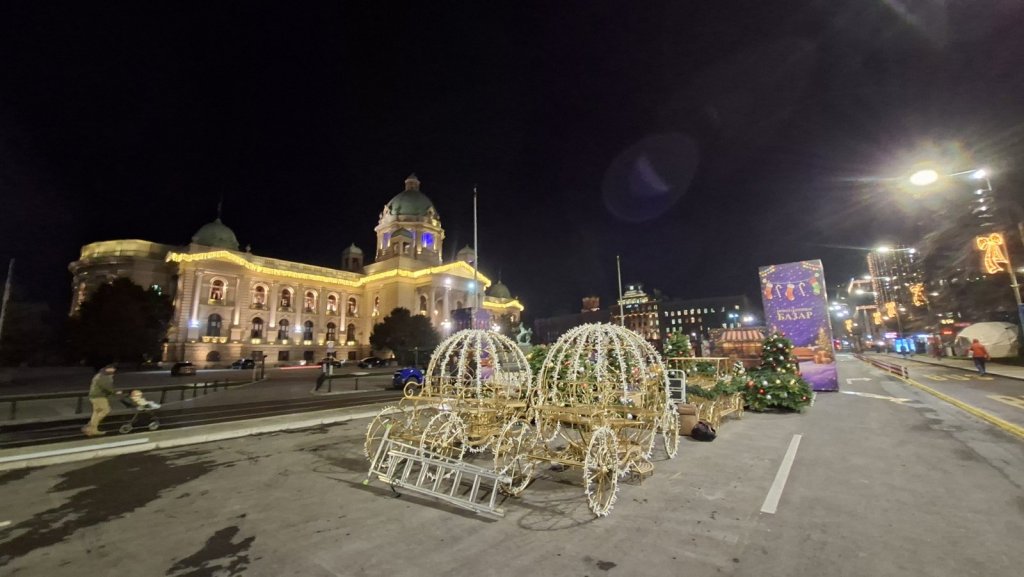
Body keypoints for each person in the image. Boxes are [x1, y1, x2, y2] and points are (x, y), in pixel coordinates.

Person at [82, 364, 120, 436]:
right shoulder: (104, 376)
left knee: (97, 412)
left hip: (94, 396)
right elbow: (107, 387)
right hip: (99, 397)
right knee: (105, 410)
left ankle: (92, 430)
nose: (113, 370)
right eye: (112, 369)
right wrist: (115, 392)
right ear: (107, 369)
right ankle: (90, 427)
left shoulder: (100, 375)